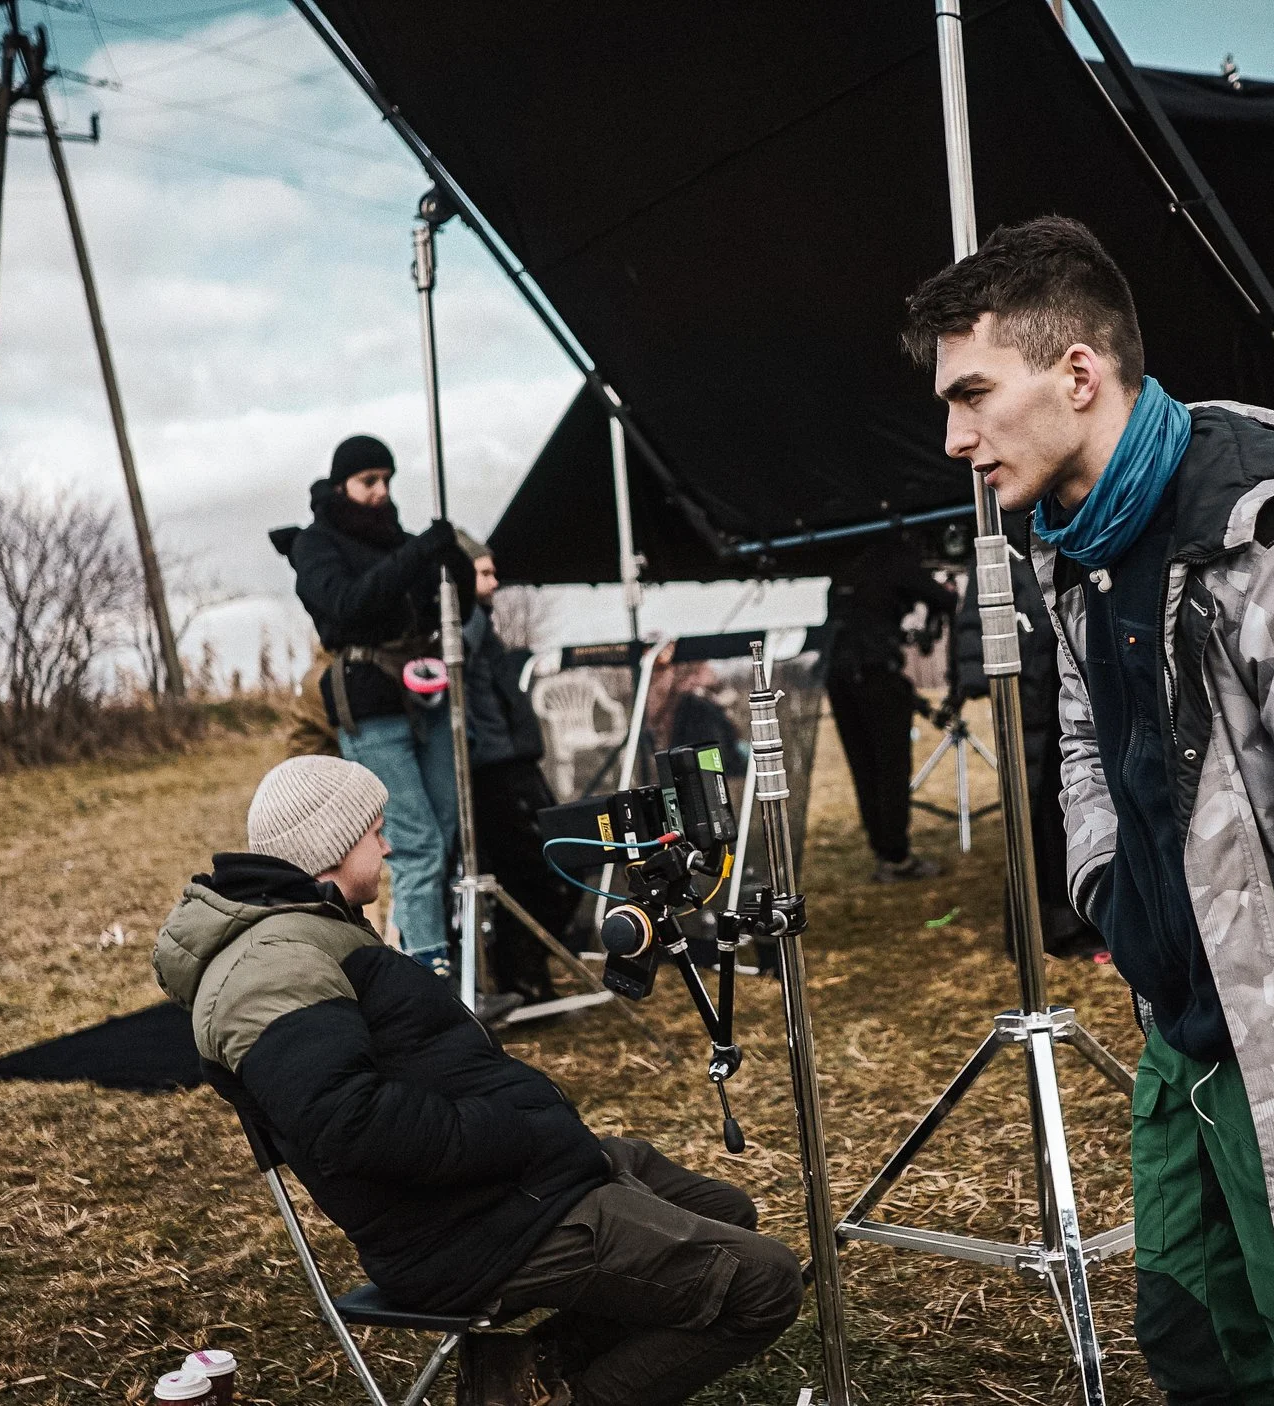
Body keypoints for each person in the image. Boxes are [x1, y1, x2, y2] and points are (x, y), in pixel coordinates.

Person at [905, 216, 1274, 1405]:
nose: (958, 438)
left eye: (974, 394)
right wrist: (1107, 893)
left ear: (1078, 373)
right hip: (1179, 1043)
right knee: (1190, 1344)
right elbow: (1081, 740)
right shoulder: (1073, 546)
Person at [152, 757, 801, 1406]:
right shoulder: (271, 964)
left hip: (502, 1188)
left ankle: (523, 1372)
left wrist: (534, 1133)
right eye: (374, 831)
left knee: (725, 1213)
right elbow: (350, 1126)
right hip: (468, 1229)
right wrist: (519, 1132)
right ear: (330, 845)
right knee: (766, 1283)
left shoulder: (306, 928)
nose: (386, 843)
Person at [284, 434, 477, 975]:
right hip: (369, 706)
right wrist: (418, 552)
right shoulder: (316, 544)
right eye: (369, 481)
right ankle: (429, 976)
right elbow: (346, 607)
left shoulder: (399, 541)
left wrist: (451, 556)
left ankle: (448, 958)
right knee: (415, 844)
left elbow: (454, 609)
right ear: (342, 483)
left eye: (387, 481)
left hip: (429, 696)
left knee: (446, 832)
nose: (380, 492)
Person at [947, 520, 1102, 959]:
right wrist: (982, 676)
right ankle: (1044, 924)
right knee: (1035, 806)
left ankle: (1071, 916)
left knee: (1065, 800)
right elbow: (977, 618)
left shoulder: (1057, 523)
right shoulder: (1005, 530)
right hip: (1030, 687)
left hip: (1053, 680)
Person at [454, 532, 575, 1005]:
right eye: (483, 573)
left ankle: (526, 971)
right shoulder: (465, 622)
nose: (495, 582)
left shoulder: (481, 622)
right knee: (543, 868)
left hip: (514, 760)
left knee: (543, 868)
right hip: (497, 769)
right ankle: (521, 973)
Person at [823, 535, 960, 882]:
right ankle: (896, 856)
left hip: (839, 677)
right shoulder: (896, 558)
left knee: (864, 767)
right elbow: (945, 600)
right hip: (875, 675)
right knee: (891, 768)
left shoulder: (847, 566)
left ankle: (884, 852)